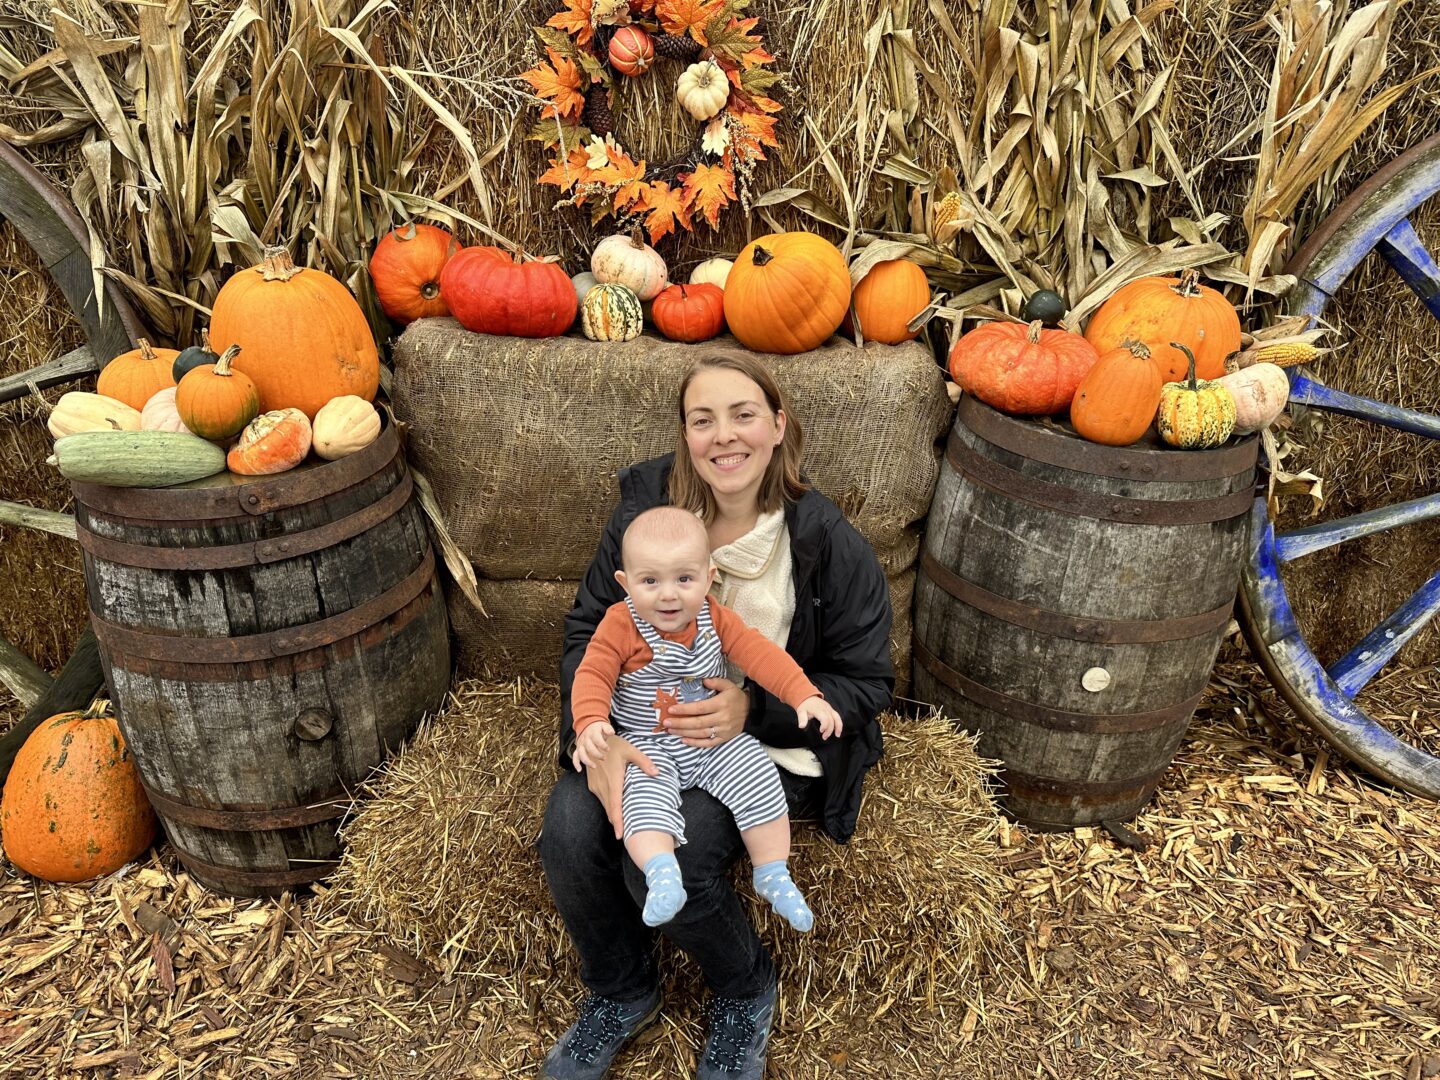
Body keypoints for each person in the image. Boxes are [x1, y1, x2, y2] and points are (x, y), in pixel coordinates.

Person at [538, 348, 893, 1080]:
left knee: (681, 855)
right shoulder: (646, 515)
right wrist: (592, 731)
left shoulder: (826, 541)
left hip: (759, 745)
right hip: (645, 731)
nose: (724, 436)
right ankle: (622, 988)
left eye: (743, 415)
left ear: (777, 426)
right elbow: (589, 634)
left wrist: (752, 710)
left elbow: (866, 681)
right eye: (704, 420)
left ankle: (743, 990)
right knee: (569, 829)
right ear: (685, 435)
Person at [571, 505, 844, 933]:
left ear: (708, 576)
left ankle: (773, 872)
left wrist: (802, 694)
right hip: (647, 744)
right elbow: (592, 673)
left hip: (712, 739)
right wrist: (590, 722)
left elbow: (759, 654)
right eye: (650, 581)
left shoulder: (713, 616)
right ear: (625, 583)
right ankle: (663, 875)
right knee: (642, 803)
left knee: (756, 771)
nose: (668, 595)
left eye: (684, 579)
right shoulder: (620, 624)